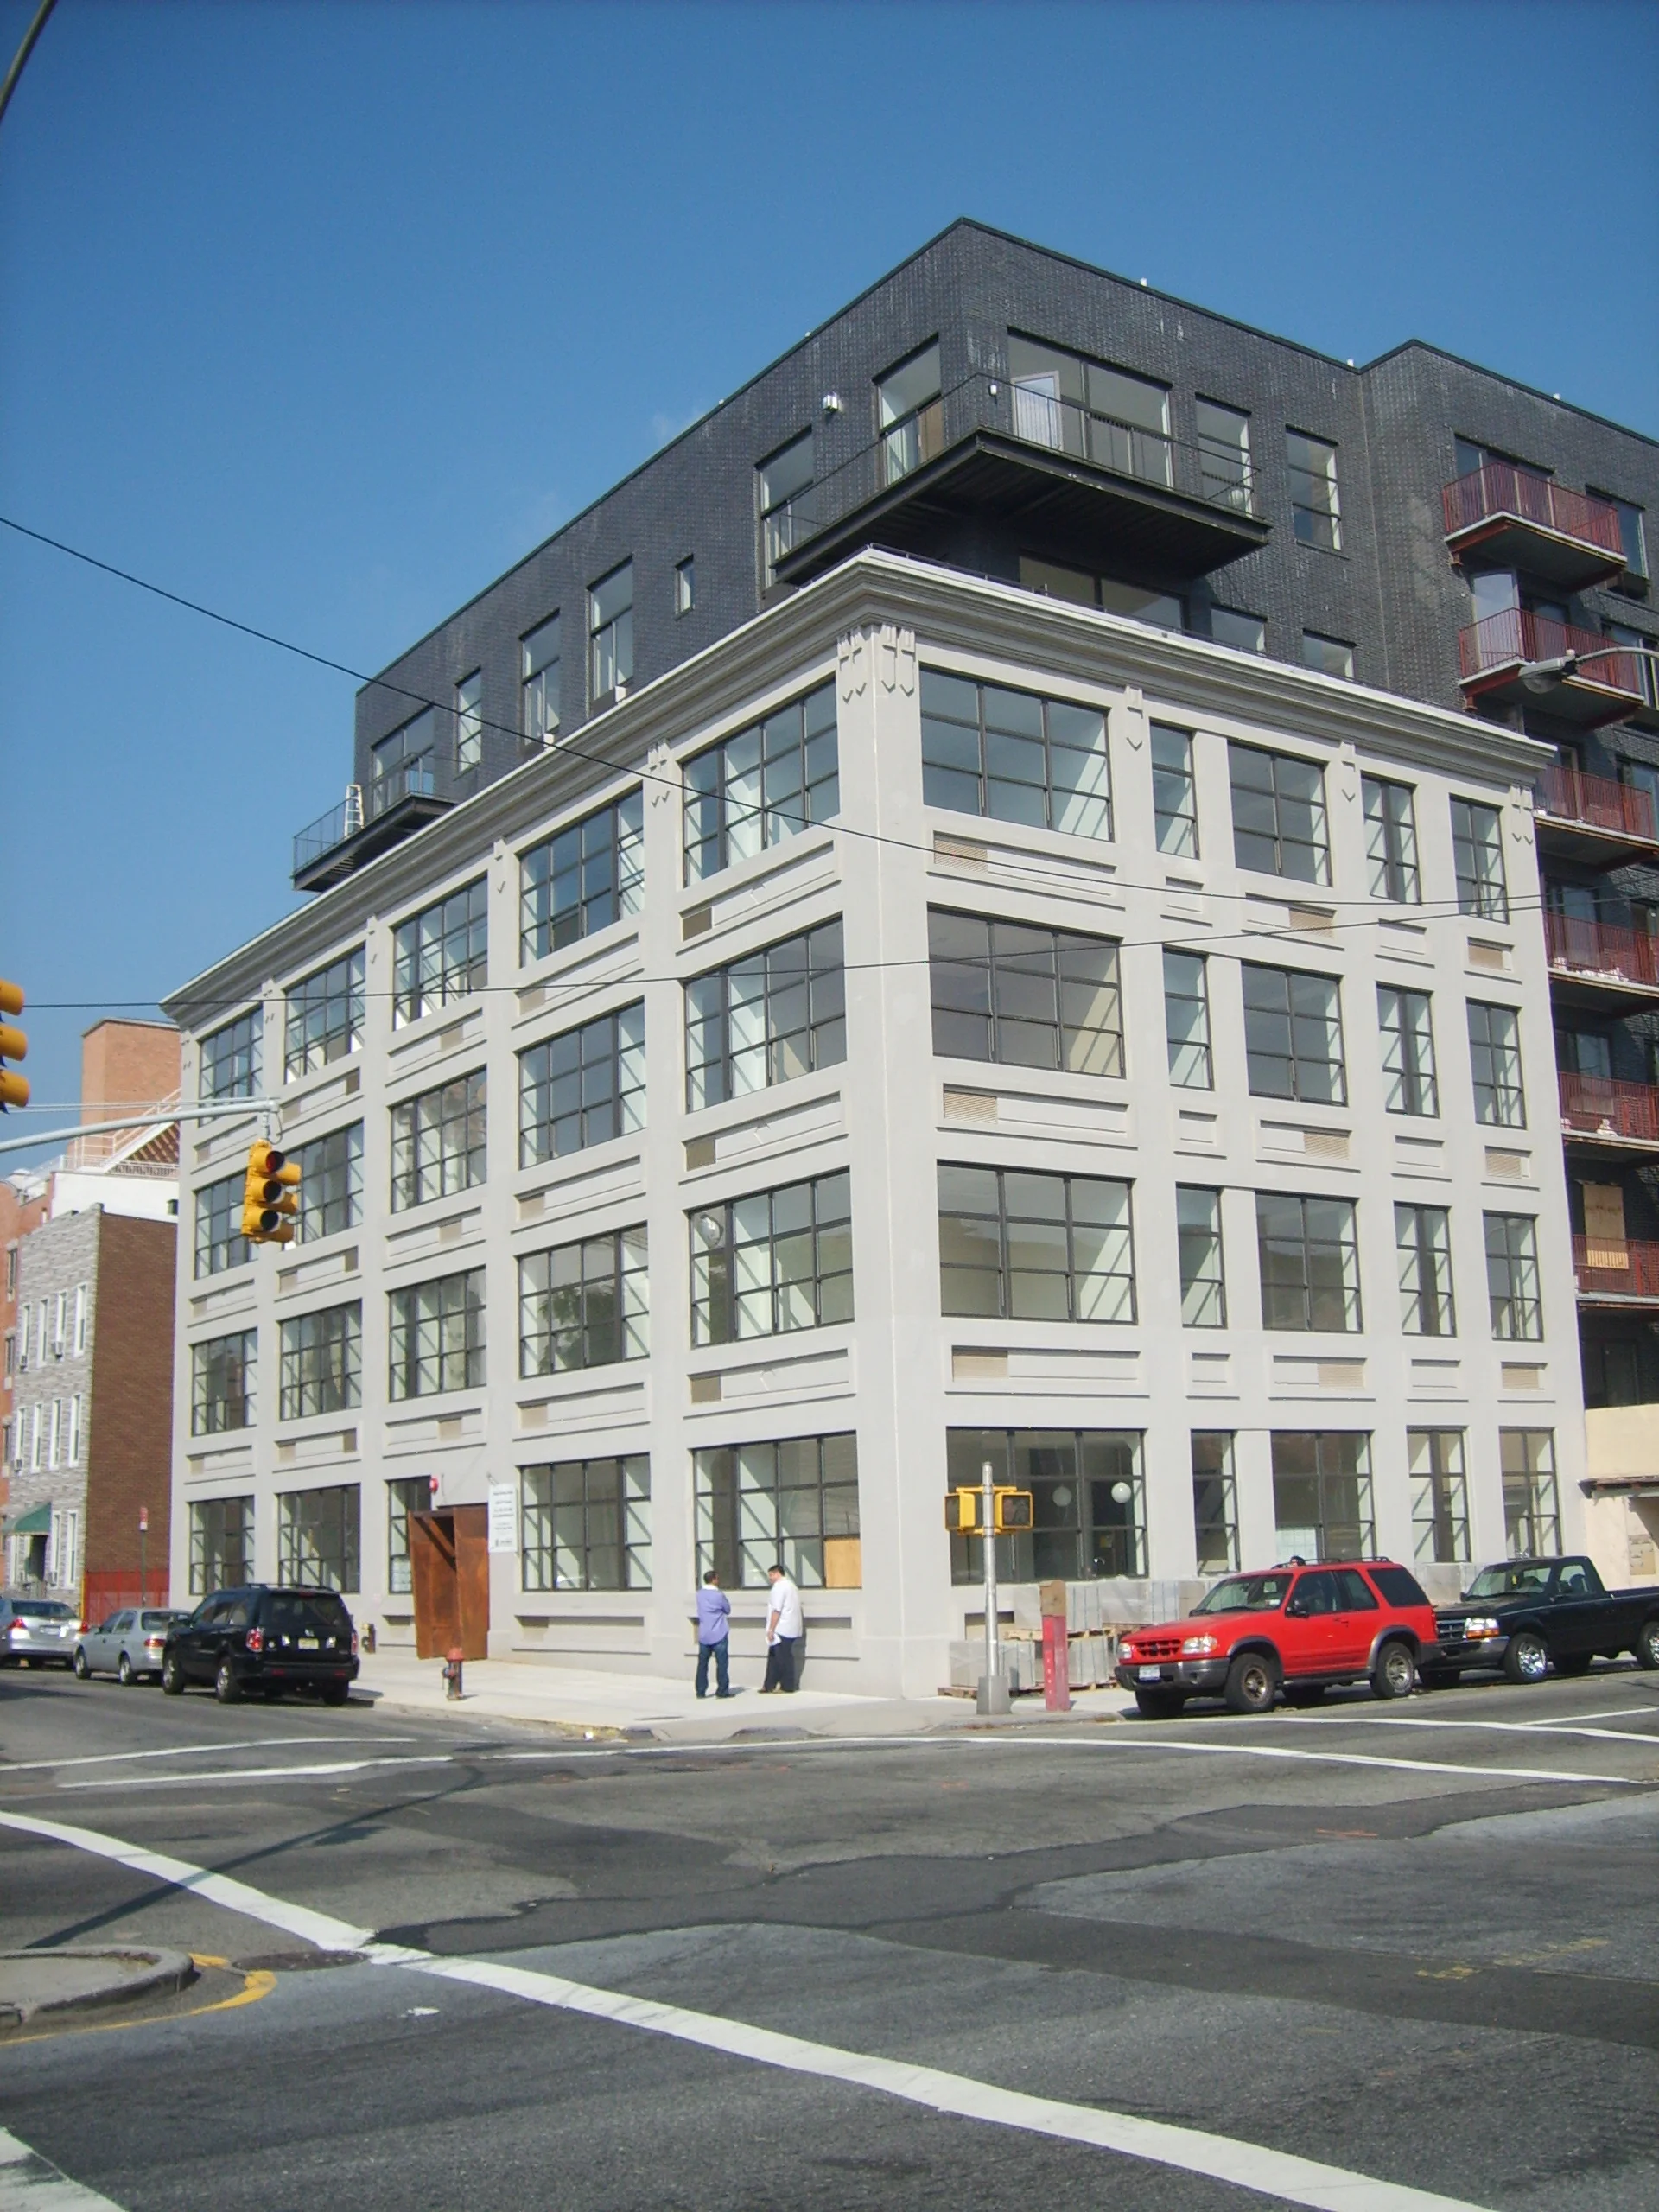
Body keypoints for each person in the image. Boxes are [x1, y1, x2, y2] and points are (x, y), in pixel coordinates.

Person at [760, 1561, 804, 1693]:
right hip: (791, 1627)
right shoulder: (791, 1586)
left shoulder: (779, 1587)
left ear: (777, 1574)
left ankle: (787, 1686)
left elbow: (776, 1610)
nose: (770, 1578)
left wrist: (771, 1629)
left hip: (781, 1628)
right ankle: (769, 1684)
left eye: (771, 1575)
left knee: (783, 1658)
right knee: (774, 1657)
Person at [694, 1569, 734, 1699]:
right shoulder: (719, 1595)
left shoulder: (699, 1594)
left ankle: (700, 1691)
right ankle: (722, 1690)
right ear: (714, 1579)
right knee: (722, 1664)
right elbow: (727, 1609)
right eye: (717, 1578)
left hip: (704, 1634)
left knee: (702, 1664)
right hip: (719, 1632)